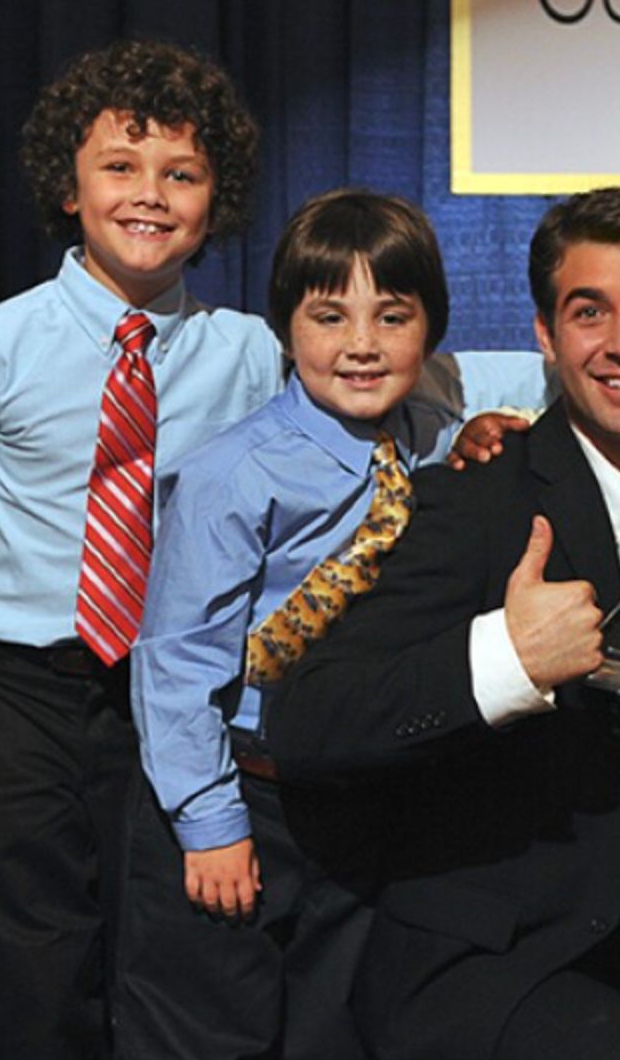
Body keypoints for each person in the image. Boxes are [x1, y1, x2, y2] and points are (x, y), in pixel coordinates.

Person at [0, 40, 540, 1057]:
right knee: (35, 962)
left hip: (160, 689)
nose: (149, 195)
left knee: (155, 949)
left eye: (182, 174)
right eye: (120, 167)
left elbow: (383, 389)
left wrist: (474, 427)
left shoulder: (252, 346)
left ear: (218, 196)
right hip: (17, 684)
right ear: (66, 189)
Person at [266, 188, 620, 1060]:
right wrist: (504, 660)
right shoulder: (478, 500)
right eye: (589, 312)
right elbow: (309, 718)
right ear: (544, 336)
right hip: (490, 966)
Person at [121, 190, 544, 1059]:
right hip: (244, 790)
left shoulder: (430, 439)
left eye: (393, 316)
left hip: (361, 794)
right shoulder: (232, 477)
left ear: (432, 330)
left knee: (334, 1029)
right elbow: (175, 666)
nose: (361, 345)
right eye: (328, 316)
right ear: (284, 328)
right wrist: (212, 825)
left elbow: (551, 376)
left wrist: (486, 431)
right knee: (213, 1029)